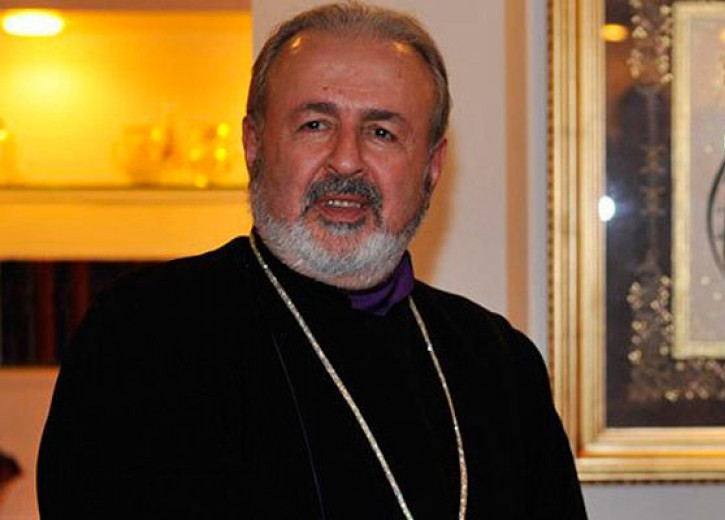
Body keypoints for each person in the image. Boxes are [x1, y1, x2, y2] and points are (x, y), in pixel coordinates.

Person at [37, 3, 587, 518]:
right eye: (315, 125)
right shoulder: (145, 332)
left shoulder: (499, 363)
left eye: (382, 132)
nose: (346, 160)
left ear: (432, 166)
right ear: (254, 145)